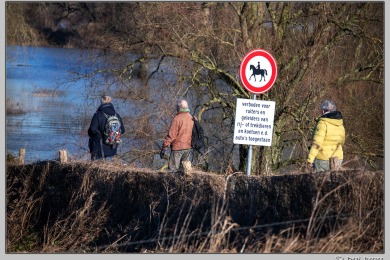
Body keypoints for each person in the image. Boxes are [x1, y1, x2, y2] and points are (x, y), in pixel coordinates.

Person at [307, 99, 345, 172]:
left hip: (323, 159)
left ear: (323, 111)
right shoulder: (340, 124)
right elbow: (342, 142)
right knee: (334, 180)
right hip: (338, 159)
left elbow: (317, 144)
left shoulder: (322, 124)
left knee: (319, 181)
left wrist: (310, 160)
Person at [160, 99, 194, 171]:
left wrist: (164, 148)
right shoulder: (191, 118)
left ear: (179, 107)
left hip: (177, 148)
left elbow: (171, 136)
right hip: (188, 148)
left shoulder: (177, 119)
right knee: (185, 172)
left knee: (172, 172)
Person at [88, 95, 125, 160]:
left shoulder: (97, 114)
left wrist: (98, 135)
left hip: (99, 148)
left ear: (102, 101)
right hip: (112, 149)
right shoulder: (116, 115)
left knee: (95, 168)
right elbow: (123, 130)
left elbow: (92, 129)